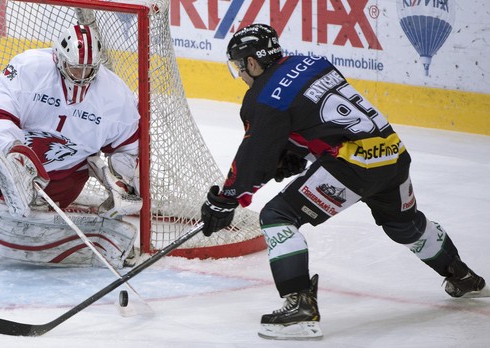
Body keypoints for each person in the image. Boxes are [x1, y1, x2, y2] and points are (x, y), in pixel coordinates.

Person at [200, 23, 488, 340]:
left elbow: (256, 155)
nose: (240, 75)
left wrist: (226, 199)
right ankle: (460, 274)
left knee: (277, 216)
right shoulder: (312, 63)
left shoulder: (263, 98)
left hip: (353, 166)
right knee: (404, 225)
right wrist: (295, 152)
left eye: (239, 67)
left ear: (252, 62)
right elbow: (315, 118)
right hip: (392, 153)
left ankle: (299, 309)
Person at [0, 24, 142, 268]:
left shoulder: (116, 95)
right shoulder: (28, 68)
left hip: (63, 181)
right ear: (59, 58)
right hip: (4, 172)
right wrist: (17, 158)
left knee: (23, 223)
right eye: (76, 67)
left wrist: (120, 178)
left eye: (89, 69)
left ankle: (77, 239)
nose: (82, 75)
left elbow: (128, 147)